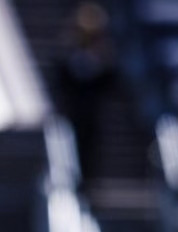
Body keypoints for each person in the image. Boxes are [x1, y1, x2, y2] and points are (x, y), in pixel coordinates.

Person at [52, 1, 117, 191]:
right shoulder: (68, 53)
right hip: (72, 111)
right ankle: (71, 183)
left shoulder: (102, 56)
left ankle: (89, 182)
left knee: (90, 149)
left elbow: (110, 82)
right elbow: (61, 79)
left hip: (92, 112)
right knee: (70, 148)